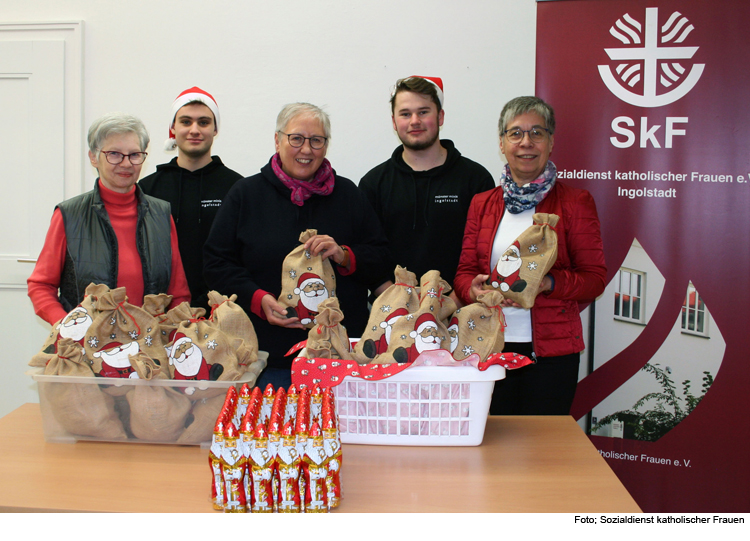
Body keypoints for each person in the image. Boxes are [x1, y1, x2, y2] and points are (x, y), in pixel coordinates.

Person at [204, 103, 392, 390]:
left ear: (326, 146)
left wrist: (344, 255)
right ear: (277, 140)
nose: (306, 149)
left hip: (340, 358)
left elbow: (381, 259)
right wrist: (257, 299)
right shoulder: (246, 195)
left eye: (317, 140)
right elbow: (216, 264)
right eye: (296, 139)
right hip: (267, 359)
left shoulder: (349, 195)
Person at [453, 96, 606, 416]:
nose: (526, 142)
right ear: (502, 142)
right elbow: (464, 272)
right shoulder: (482, 203)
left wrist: (546, 283)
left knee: (542, 454)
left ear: (551, 141)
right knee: (490, 449)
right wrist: (474, 289)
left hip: (551, 357)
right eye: (515, 133)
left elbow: (594, 279)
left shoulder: (576, 202)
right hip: (488, 347)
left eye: (537, 132)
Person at [28, 113, 191, 325]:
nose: (125, 163)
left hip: (148, 349)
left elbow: (178, 294)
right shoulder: (69, 214)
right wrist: (67, 328)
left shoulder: (161, 214)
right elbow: (41, 286)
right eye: (114, 154)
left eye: (134, 154)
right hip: (86, 351)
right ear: (93, 157)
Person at [359, 76, 495, 290]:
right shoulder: (373, 183)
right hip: (393, 313)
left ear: (440, 116)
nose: (415, 121)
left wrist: (454, 302)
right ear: (394, 122)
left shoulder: (476, 179)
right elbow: (367, 253)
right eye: (405, 114)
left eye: (423, 112)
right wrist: (396, 303)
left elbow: (485, 251)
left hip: (461, 310)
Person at [139, 87, 242, 311]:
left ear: (215, 129)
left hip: (223, 310)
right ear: (173, 128)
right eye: (186, 122)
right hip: (160, 312)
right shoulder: (147, 189)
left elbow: (244, 256)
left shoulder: (238, 188)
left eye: (203, 122)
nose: (194, 130)